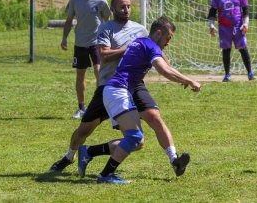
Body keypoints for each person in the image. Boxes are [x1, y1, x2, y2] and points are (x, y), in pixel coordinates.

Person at [50, 0, 190, 178]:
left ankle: (174, 160)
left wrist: (169, 67)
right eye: (122, 7)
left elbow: (157, 53)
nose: (126, 9)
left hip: (134, 84)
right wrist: (131, 47)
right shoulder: (106, 28)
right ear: (113, 9)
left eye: (129, 6)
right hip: (110, 84)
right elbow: (104, 56)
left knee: (152, 121)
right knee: (85, 130)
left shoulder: (140, 29)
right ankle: (69, 156)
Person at [85, 16, 201, 184]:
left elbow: (167, 66)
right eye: (168, 38)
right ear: (159, 33)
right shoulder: (150, 45)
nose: (168, 42)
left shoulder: (142, 42)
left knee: (137, 140)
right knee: (134, 137)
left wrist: (183, 79)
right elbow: (164, 71)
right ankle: (104, 175)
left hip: (119, 91)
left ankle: (89, 153)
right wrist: (189, 80)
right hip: (118, 91)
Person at [61, 0, 111, 119]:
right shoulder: (75, 0)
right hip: (80, 43)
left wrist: (110, 40)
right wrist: (64, 38)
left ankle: (99, 105)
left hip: (97, 43)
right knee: (80, 75)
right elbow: (69, 20)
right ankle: (81, 108)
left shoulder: (101, 1)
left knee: (99, 72)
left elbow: (108, 22)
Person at [208, 0, 255, 82]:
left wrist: (246, 23)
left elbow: (246, 9)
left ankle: (250, 73)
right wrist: (211, 25)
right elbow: (212, 11)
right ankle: (227, 74)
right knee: (226, 50)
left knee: (243, 49)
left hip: (238, 26)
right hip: (224, 27)